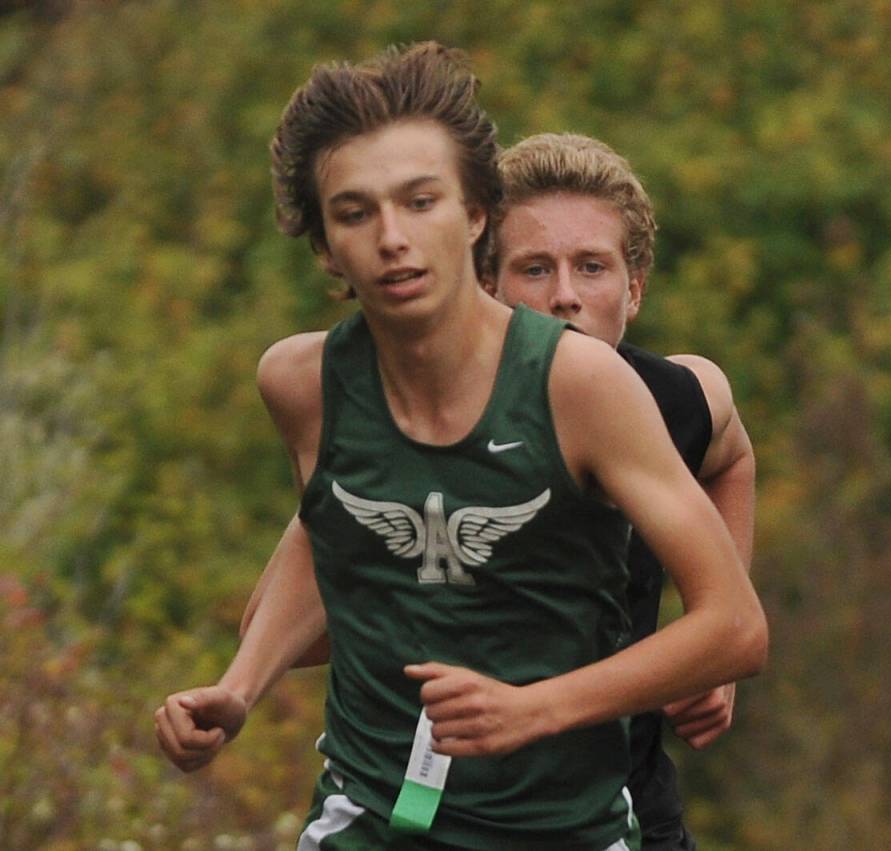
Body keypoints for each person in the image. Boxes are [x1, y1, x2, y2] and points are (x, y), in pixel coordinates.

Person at [154, 43, 767, 851]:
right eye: (354, 212)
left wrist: (535, 705)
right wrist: (240, 689)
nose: (392, 238)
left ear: (473, 214)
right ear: (324, 245)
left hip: (566, 821)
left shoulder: (599, 387)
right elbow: (330, 546)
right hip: (369, 817)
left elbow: (737, 623)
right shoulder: (303, 384)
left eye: (419, 202)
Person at [481, 133, 756, 850]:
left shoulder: (676, 397)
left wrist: (711, 636)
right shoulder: (430, 418)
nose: (565, 295)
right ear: (488, 287)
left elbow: (732, 454)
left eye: (592, 267)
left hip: (633, 804)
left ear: (633, 288)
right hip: (461, 812)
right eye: (534, 268)